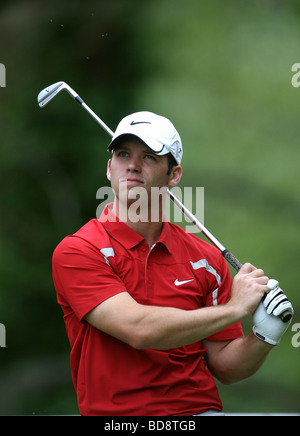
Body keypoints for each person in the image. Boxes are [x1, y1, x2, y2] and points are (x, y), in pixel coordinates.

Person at [52, 111, 293, 416]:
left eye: (149, 157)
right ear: (109, 169)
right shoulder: (79, 250)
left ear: (174, 175)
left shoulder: (205, 259)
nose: (133, 166)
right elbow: (137, 329)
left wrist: (264, 334)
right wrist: (235, 308)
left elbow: (226, 368)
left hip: (197, 412)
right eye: (123, 154)